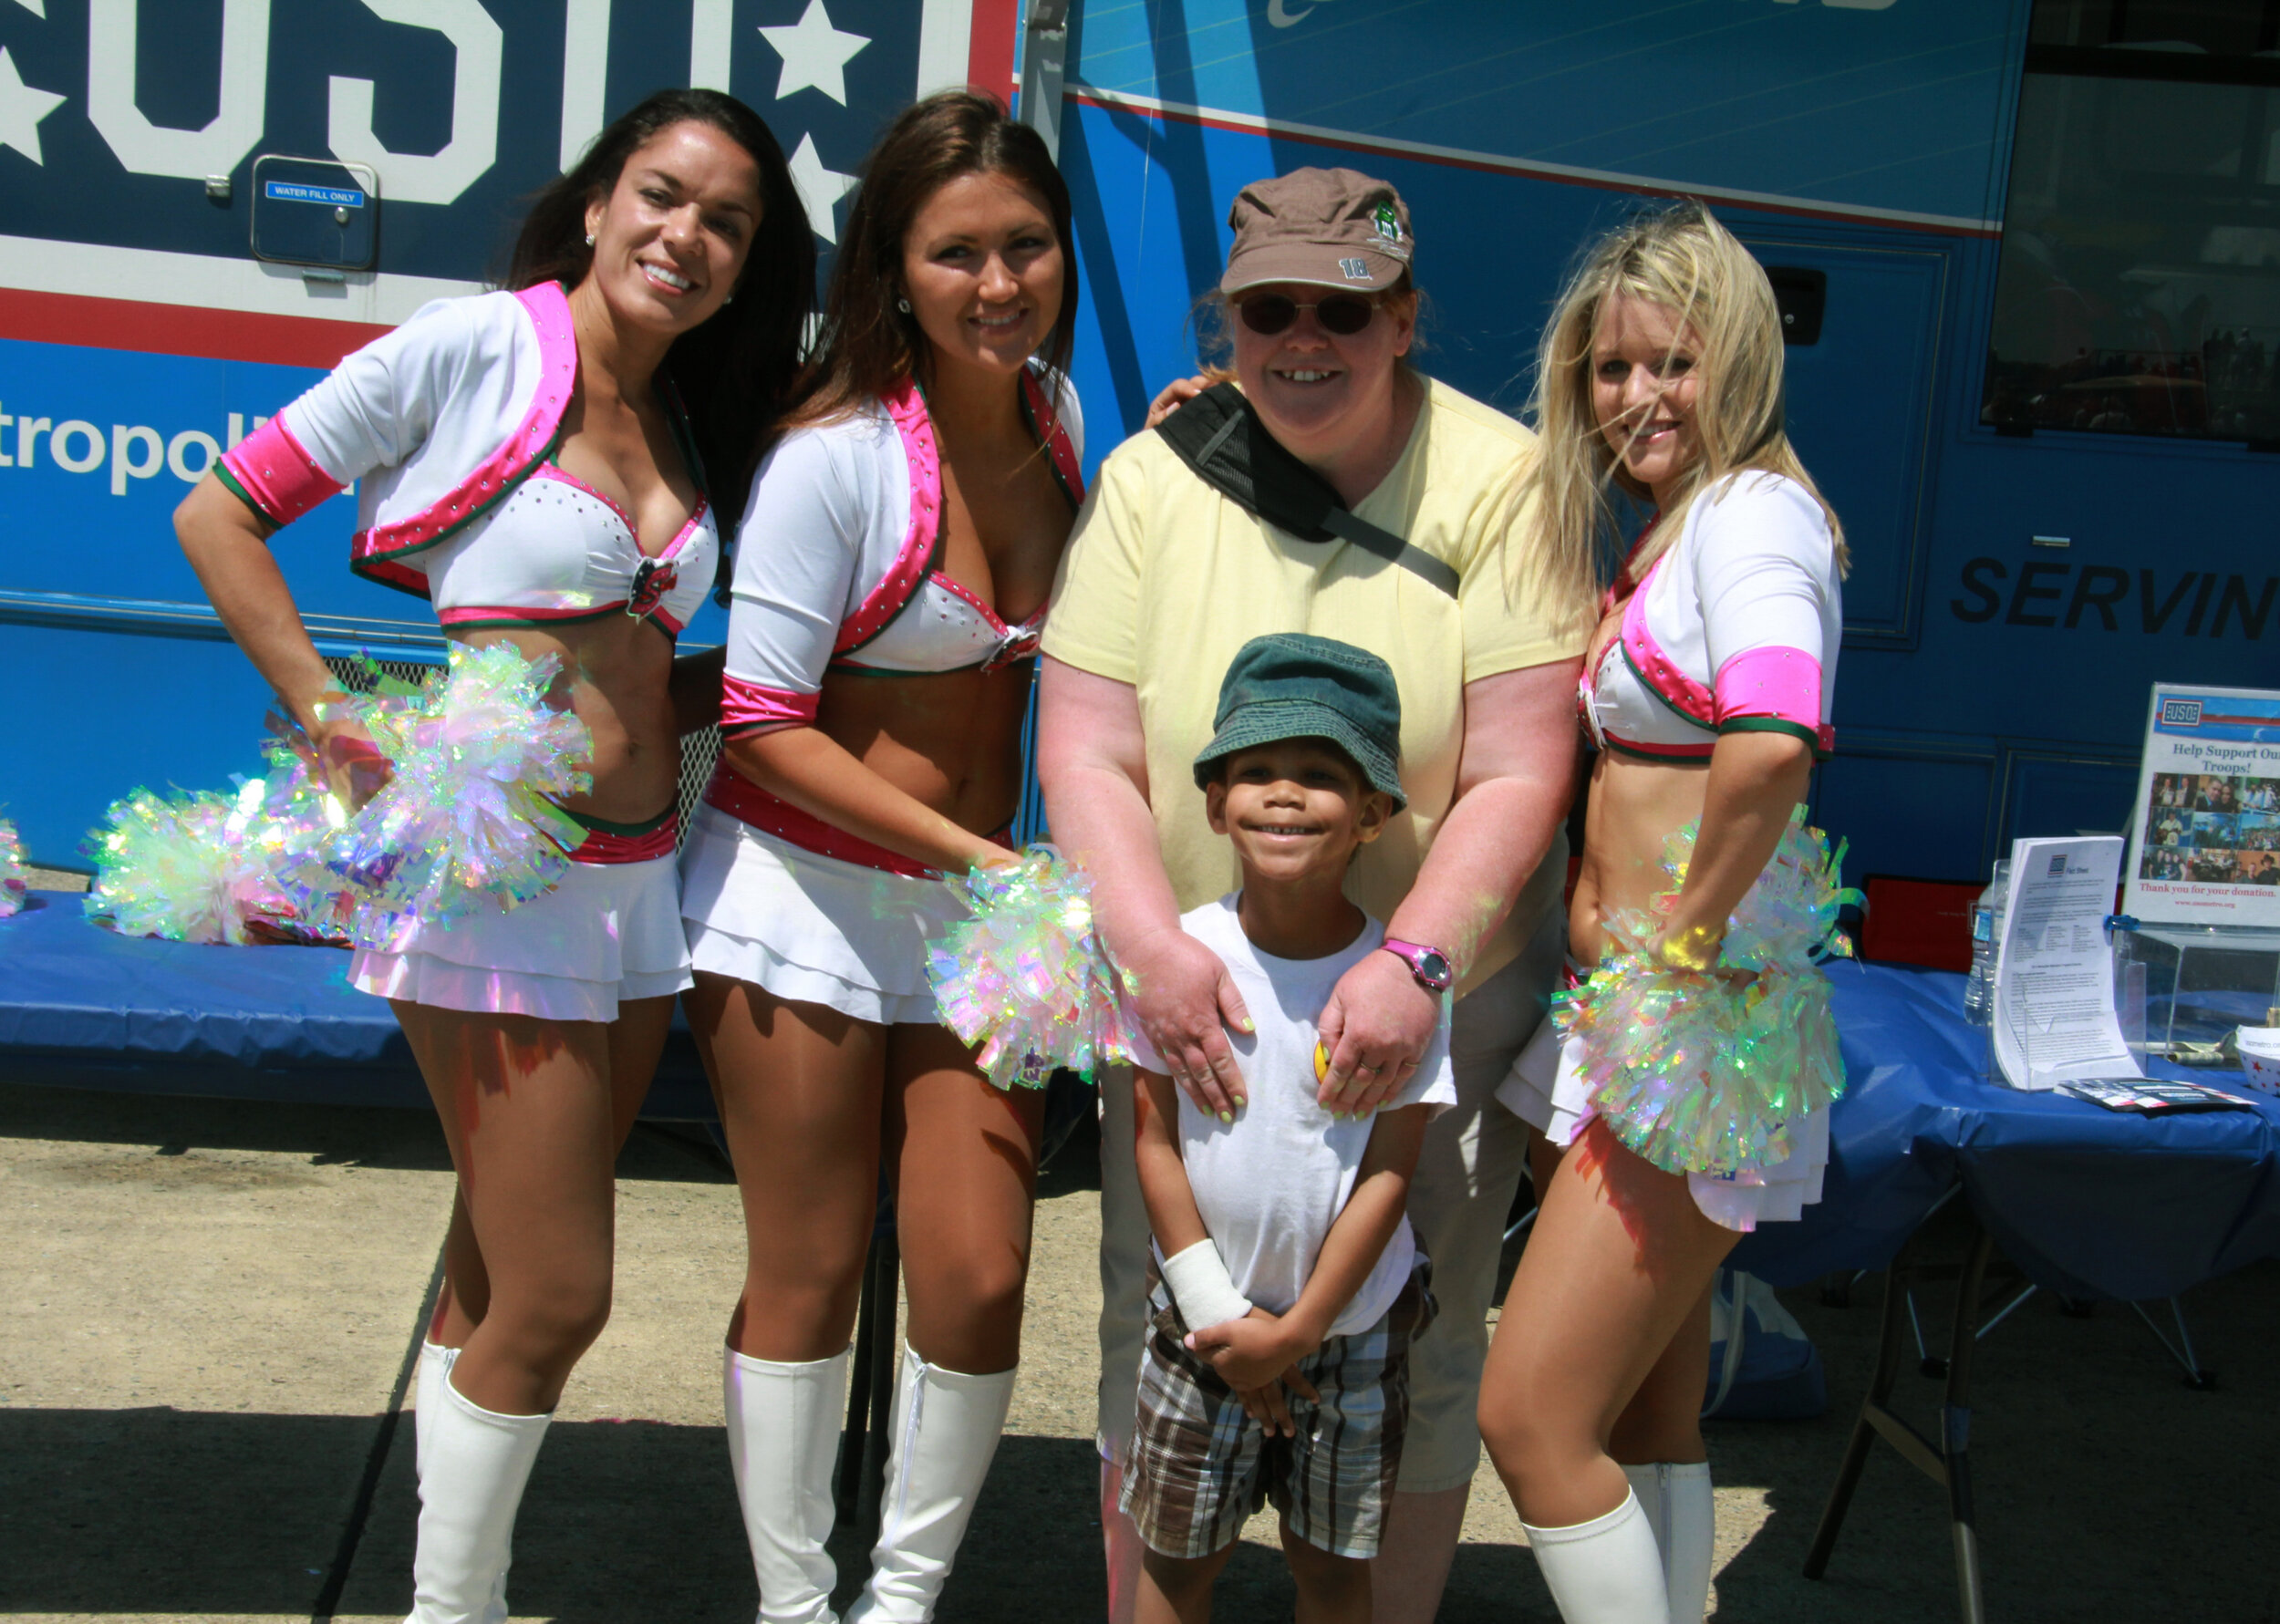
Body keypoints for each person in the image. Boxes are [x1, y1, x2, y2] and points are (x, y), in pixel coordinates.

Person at [172, 88, 813, 1620]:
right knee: (558, 1292)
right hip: (500, 886)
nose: (691, 236)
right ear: (595, 203)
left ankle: (441, 1597)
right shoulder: (469, 350)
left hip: (632, 887)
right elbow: (221, 511)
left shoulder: (683, 409)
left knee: (494, 1269)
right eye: (664, 195)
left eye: (727, 222)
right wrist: (326, 708)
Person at [1037, 167, 1587, 1624]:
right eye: (1266, 308)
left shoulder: (1509, 481)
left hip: (1418, 1003)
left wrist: (1416, 960)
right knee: (1155, 1323)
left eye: (1341, 309)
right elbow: (1083, 746)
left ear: (1403, 318)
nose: (1303, 338)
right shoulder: (1154, 479)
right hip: (1188, 1003)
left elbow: (1525, 767)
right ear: (1227, 322)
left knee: (1414, 1340)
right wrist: (1150, 946)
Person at [674, 90, 1083, 1624]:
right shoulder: (837, 457)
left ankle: (899, 1602)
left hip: (980, 915)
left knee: (978, 1279)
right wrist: (977, 859)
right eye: (956, 253)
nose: (998, 283)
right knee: (815, 1270)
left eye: (1026, 246)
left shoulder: (1063, 429)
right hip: (800, 899)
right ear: (894, 270)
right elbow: (768, 724)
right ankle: (796, 1606)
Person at [1477, 200, 1847, 1624]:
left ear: (1739, 362)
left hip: (1692, 1032)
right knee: (1646, 1420)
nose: (1640, 397)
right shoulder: (1679, 523)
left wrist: (1680, 947)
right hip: (1663, 1025)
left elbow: (1771, 738)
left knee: (1532, 1418)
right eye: (1612, 368)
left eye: (1674, 364)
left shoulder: (1749, 516)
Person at [1123, 635, 1454, 1624]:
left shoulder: (1408, 989)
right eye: (1255, 770)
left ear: (1372, 814)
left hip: (1349, 1332)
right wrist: (1222, 1317)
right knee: (1178, 1566)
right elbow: (1151, 1140)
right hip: (1197, 1324)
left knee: (1330, 1570)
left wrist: (1299, 1330)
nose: (1282, 792)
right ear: (1215, 802)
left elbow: (1391, 1175)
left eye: (1318, 774)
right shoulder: (1176, 959)